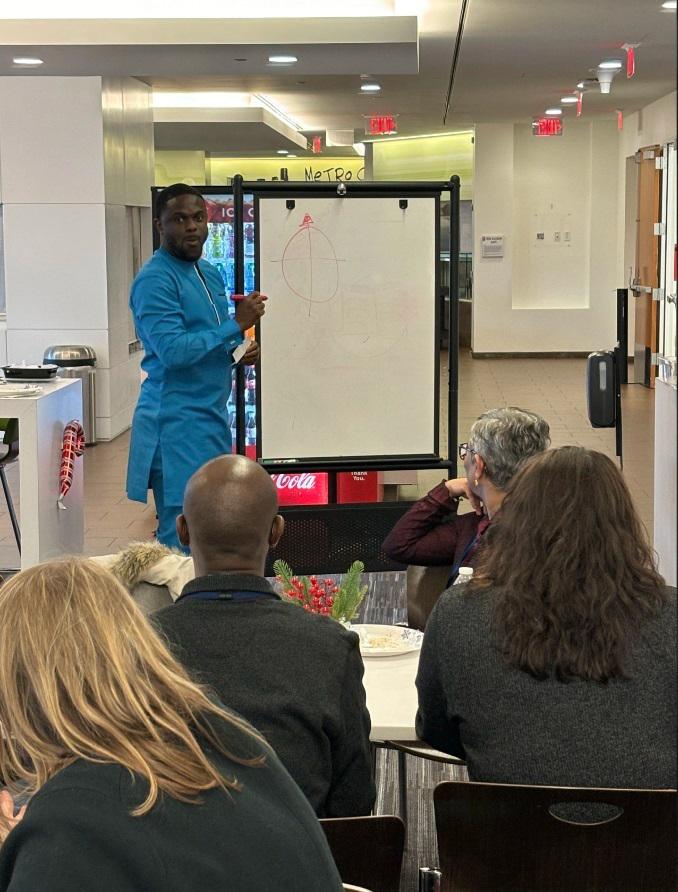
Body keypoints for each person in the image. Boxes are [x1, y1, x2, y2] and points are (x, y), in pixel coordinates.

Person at [0, 559, 343, 892]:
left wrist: (21, 854)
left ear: (19, 690)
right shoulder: (222, 731)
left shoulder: (71, 820)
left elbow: (87, 844)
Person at [415, 447, 677, 789]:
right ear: (623, 524)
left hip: (505, 820)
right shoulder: (670, 615)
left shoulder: (458, 613)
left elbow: (435, 728)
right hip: (652, 822)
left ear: (518, 521)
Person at [152, 454, 376, 818]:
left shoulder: (133, 647)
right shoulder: (330, 647)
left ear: (182, 531)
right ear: (276, 532)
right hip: (297, 852)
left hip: (162, 852)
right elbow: (355, 801)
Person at [126, 183, 267, 549]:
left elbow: (209, 340)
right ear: (159, 225)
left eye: (198, 217)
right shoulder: (155, 280)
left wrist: (237, 353)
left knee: (209, 524)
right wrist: (235, 325)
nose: (191, 226)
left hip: (211, 419)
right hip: (176, 423)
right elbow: (172, 351)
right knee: (182, 531)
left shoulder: (208, 271)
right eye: (179, 219)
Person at [382, 407, 550, 581]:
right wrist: (448, 489)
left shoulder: (475, 530)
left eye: (466, 452)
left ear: (478, 465)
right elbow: (398, 546)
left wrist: (447, 490)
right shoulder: (550, 523)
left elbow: (399, 546)